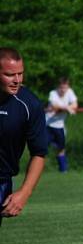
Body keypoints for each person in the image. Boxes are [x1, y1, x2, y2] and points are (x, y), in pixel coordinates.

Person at [0, 48, 48, 228]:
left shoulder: (30, 105)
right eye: (9, 75)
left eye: (20, 74)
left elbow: (39, 153)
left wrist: (25, 192)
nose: (17, 80)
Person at [45, 76, 78, 173]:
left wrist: (67, 108)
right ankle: (37, 170)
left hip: (60, 126)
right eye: (61, 88)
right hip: (48, 125)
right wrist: (67, 108)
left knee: (61, 148)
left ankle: (63, 170)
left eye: (65, 87)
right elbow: (54, 106)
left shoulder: (70, 92)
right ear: (58, 87)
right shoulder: (53, 93)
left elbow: (75, 105)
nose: (63, 90)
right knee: (42, 149)